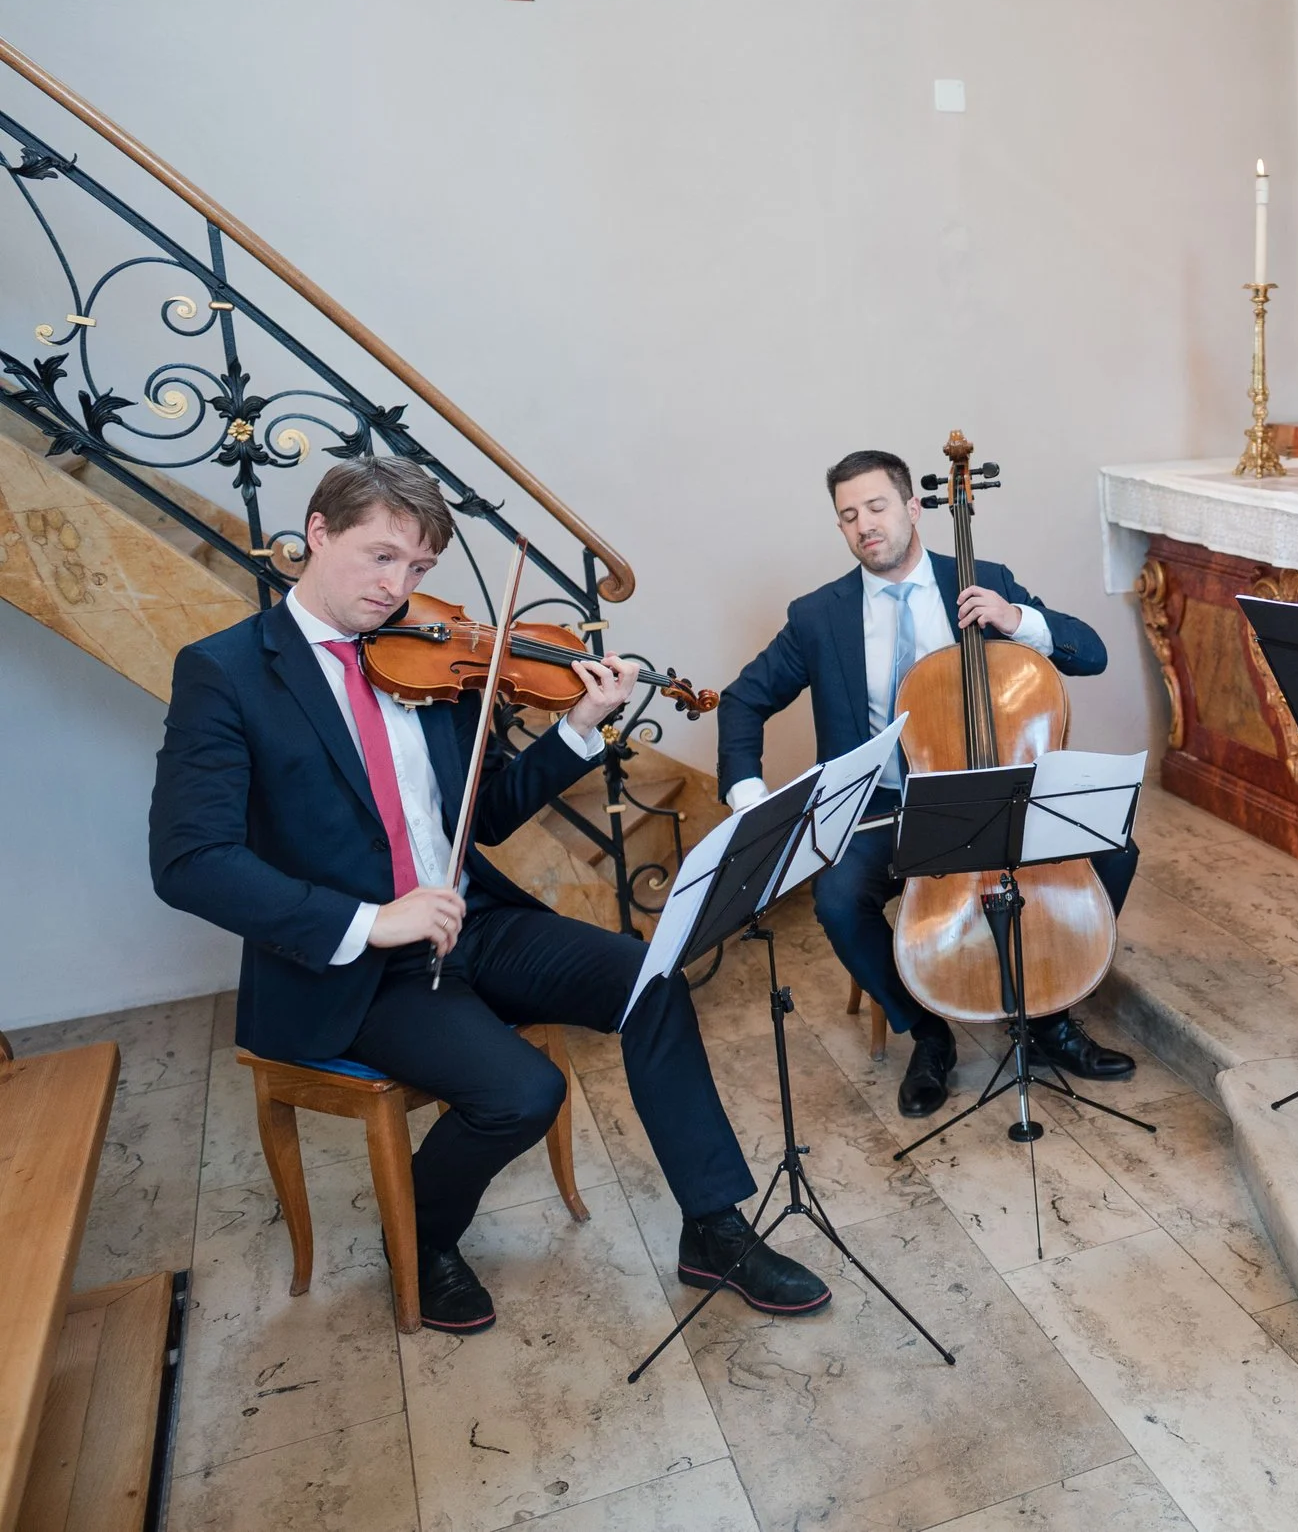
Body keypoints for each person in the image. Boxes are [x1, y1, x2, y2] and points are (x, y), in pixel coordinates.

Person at [150, 458, 828, 1334]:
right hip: (353, 967)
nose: (398, 588)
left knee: (652, 976)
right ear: (317, 532)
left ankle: (713, 1227)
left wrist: (577, 732)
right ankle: (423, 1239)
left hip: (473, 921)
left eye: (420, 569)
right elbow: (189, 861)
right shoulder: (227, 672)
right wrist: (371, 919)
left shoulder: (427, 657)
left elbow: (490, 810)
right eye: (381, 557)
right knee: (522, 1091)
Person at [716, 449, 1138, 1121]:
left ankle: (1049, 1015)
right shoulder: (818, 616)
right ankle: (927, 1033)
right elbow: (742, 699)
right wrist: (747, 796)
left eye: (877, 507)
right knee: (836, 898)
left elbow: (1092, 652)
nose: (865, 526)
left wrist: (1017, 621)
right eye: (848, 516)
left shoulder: (982, 581)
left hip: (996, 789)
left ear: (914, 508)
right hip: (887, 807)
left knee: (1114, 848)